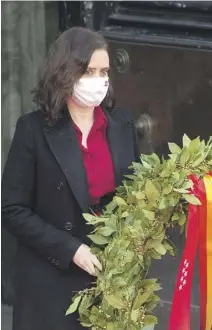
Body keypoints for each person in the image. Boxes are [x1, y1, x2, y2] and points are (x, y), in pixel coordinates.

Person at [1, 27, 140, 330]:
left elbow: (137, 192)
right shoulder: (33, 130)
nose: (100, 80)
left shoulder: (121, 123)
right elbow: (12, 209)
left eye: (104, 71)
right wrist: (70, 249)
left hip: (108, 281)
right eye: (89, 71)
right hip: (50, 284)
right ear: (65, 72)